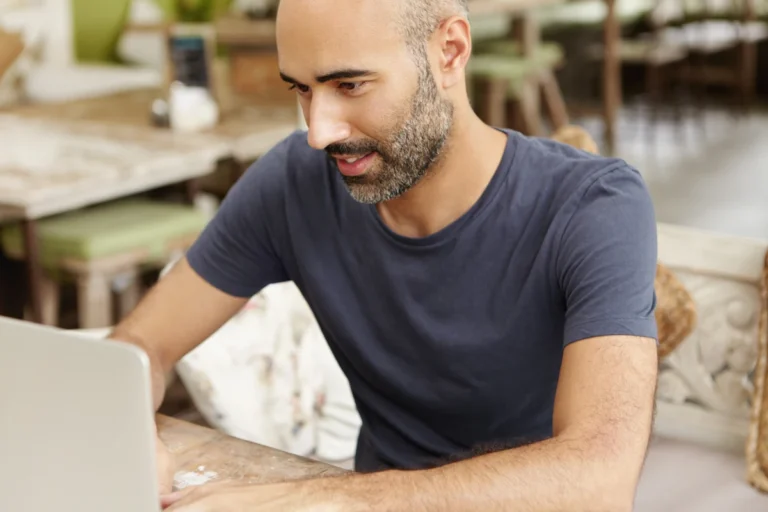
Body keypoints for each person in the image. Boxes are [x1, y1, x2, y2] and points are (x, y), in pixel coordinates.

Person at [114, 0, 660, 509]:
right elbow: (139, 347)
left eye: (349, 85)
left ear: (450, 51)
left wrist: (319, 500)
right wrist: (132, 437)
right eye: (301, 90)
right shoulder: (293, 183)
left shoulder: (595, 206)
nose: (318, 131)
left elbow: (599, 477)